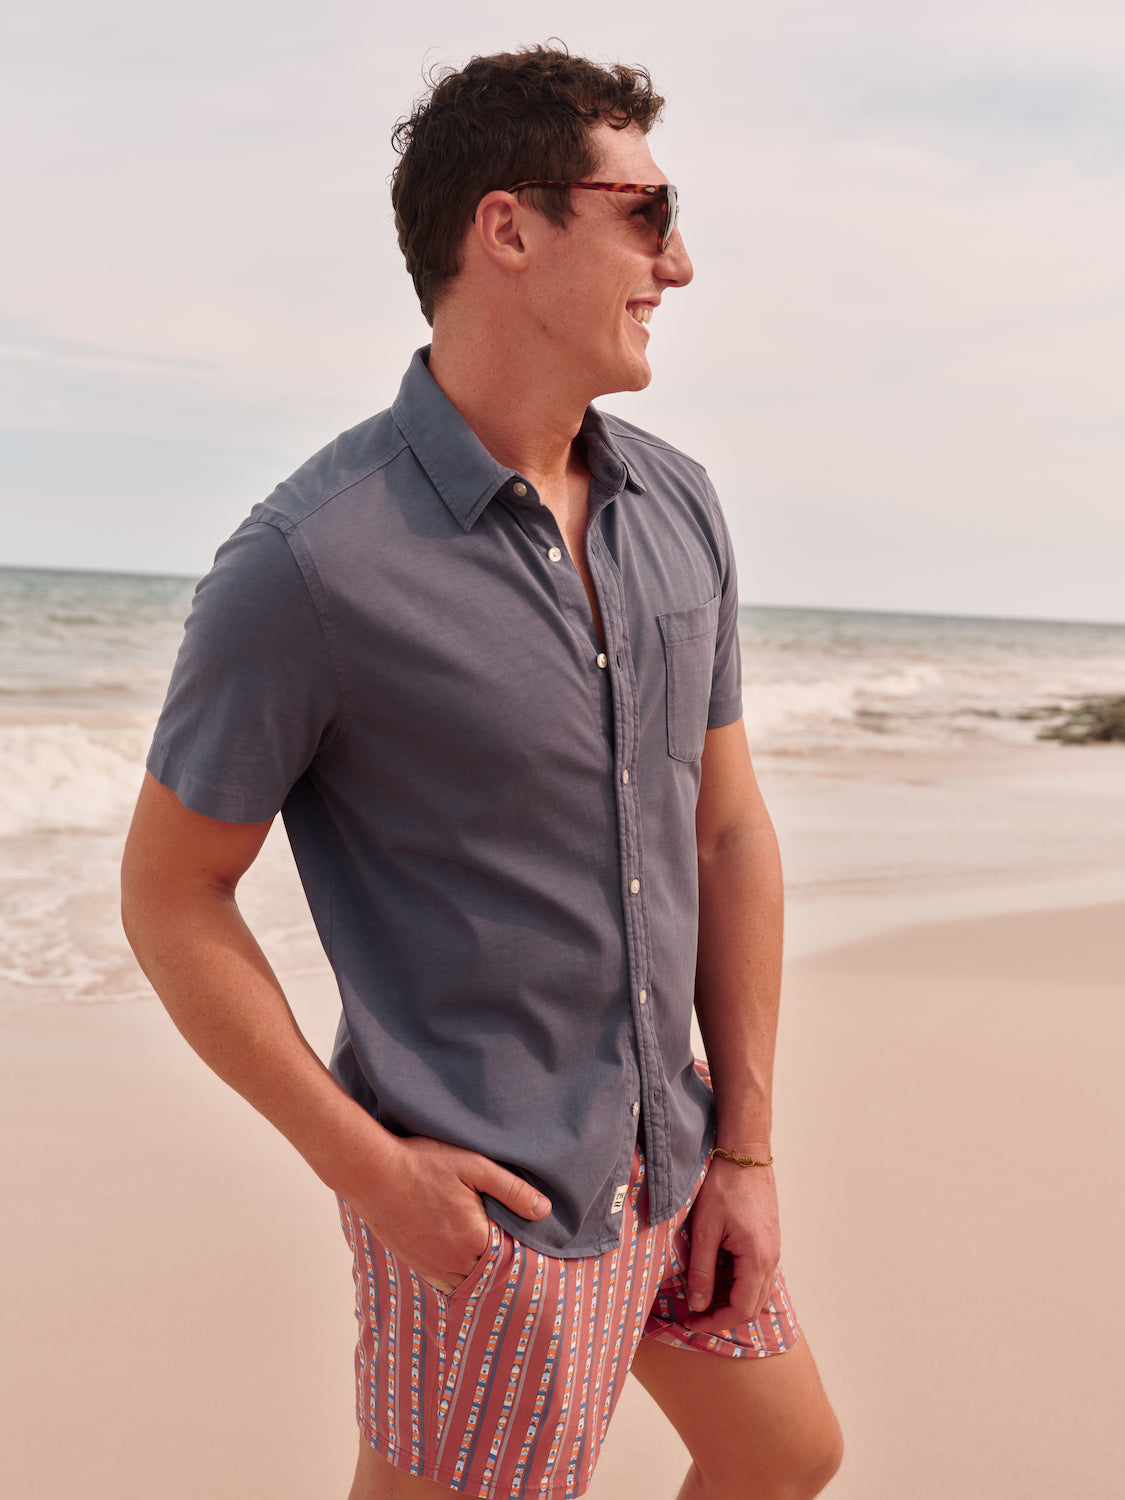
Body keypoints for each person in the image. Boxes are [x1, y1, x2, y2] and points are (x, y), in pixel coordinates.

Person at [121, 44, 842, 1500]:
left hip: (676, 1159)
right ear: (506, 229)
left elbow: (722, 835)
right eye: (644, 213)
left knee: (783, 1454)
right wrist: (366, 1171)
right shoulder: (309, 565)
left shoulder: (676, 505)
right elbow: (171, 895)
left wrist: (745, 1155)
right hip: (486, 1205)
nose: (680, 263)